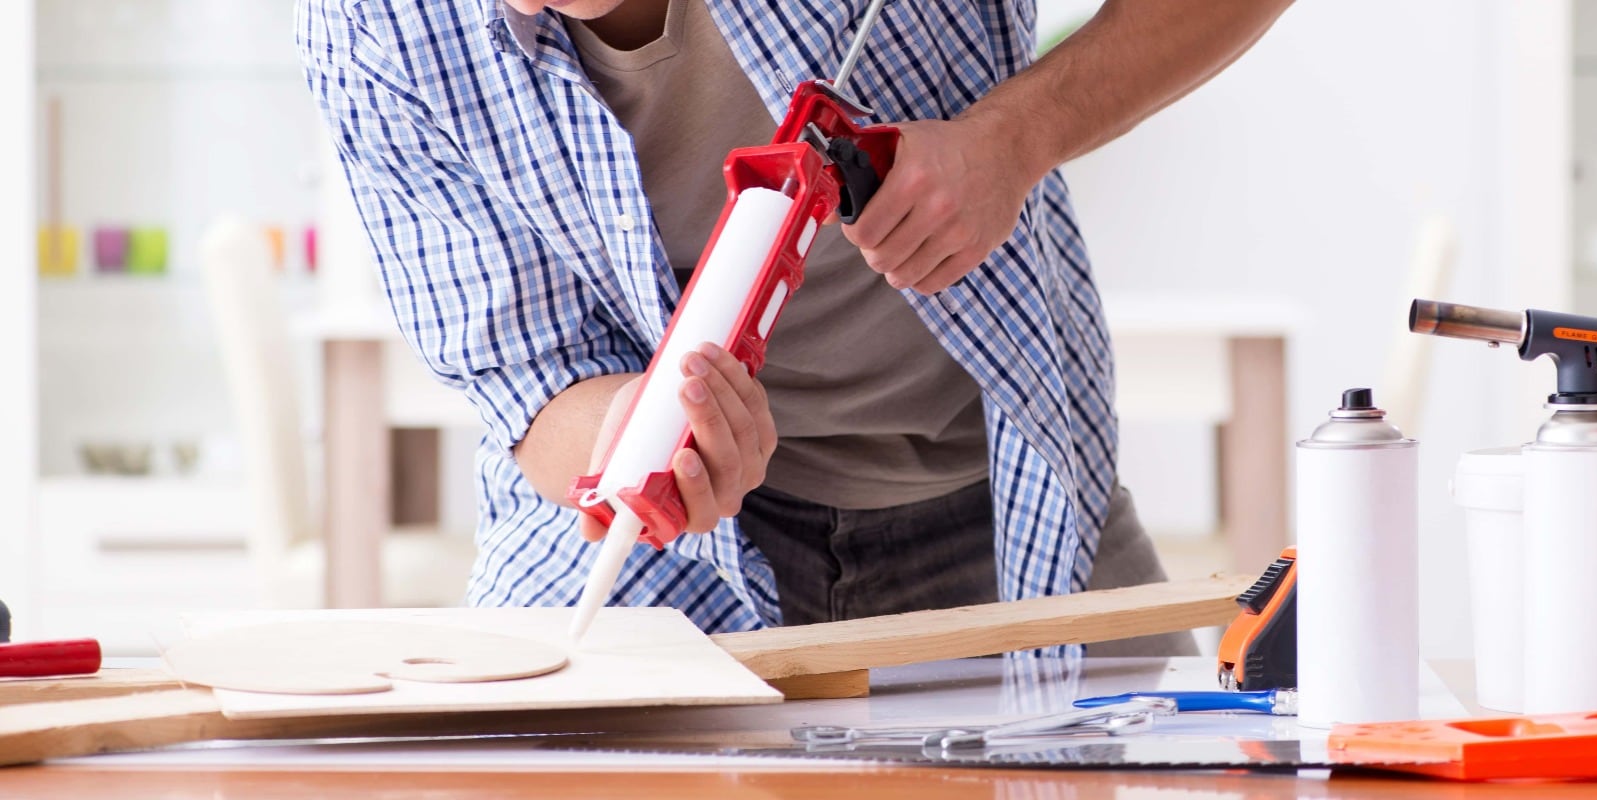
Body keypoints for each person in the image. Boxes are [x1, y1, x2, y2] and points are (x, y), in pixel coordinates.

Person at [295, 0, 1292, 652]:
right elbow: (530, 380)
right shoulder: (371, 28)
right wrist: (631, 435)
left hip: (1000, 503)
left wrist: (1014, 138)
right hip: (663, 560)